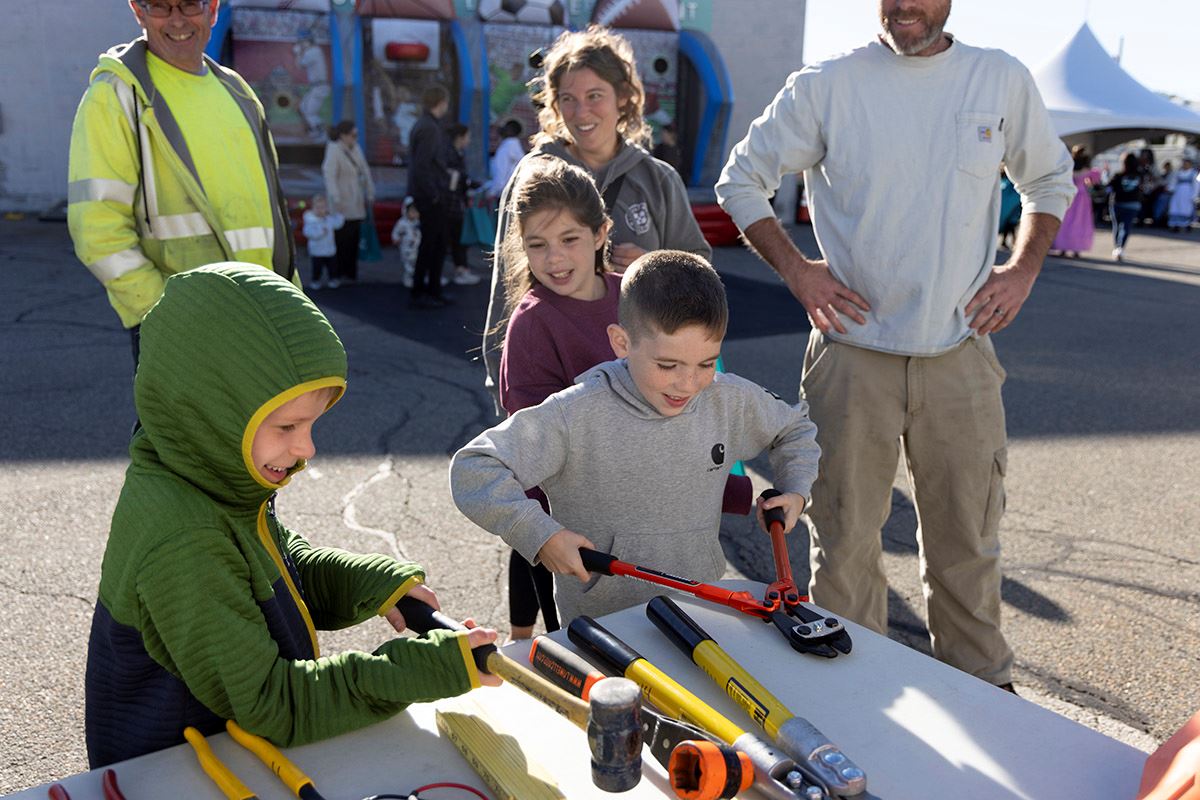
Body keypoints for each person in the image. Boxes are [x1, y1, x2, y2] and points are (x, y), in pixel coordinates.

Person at [715, 0, 1075, 691]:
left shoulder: (997, 79)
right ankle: (854, 691)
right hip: (852, 356)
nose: (905, 5)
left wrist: (1022, 269)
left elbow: (1049, 180)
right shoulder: (827, 84)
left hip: (960, 352)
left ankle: (982, 690)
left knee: (967, 541)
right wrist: (799, 271)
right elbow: (741, 180)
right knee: (844, 542)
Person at [85, 262, 498, 768]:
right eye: (286, 427)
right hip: (173, 771)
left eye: (311, 425)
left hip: (229, 753)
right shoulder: (184, 538)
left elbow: (279, 567)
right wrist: (425, 670)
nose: (306, 448)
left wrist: (374, 584)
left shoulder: (207, 469)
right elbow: (273, 703)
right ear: (210, 411)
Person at [452, 250, 819, 625]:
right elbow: (474, 466)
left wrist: (795, 488)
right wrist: (541, 535)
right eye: (668, 365)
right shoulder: (574, 413)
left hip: (702, 612)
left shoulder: (727, 399)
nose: (688, 383)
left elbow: (794, 428)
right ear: (621, 342)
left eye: (706, 363)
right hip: (603, 627)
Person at [481, 26, 711, 413]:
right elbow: (506, 290)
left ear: (623, 97)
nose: (581, 112)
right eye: (567, 99)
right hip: (553, 398)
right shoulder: (533, 176)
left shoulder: (657, 179)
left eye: (594, 96)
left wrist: (655, 267)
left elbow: (702, 276)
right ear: (554, 105)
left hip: (649, 400)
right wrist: (501, 392)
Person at [67, 0, 296, 367]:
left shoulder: (239, 93)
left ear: (212, 9)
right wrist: (166, 313)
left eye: (189, 5)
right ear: (139, 12)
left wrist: (292, 302)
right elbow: (96, 230)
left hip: (264, 318)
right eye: (161, 6)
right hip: (181, 329)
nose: (177, 21)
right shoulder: (116, 96)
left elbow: (273, 215)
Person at [407, 85, 454, 309]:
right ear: (440, 102)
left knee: (435, 244)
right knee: (433, 245)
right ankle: (424, 291)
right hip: (432, 196)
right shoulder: (430, 128)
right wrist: (434, 194)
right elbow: (422, 166)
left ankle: (430, 290)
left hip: (428, 194)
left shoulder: (423, 125)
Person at [322, 120, 375, 286]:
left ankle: (351, 273)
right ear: (343, 135)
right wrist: (335, 198)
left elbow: (365, 170)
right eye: (353, 135)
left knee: (354, 238)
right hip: (341, 203)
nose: (355, 138)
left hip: (356, 200)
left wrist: (370, 191)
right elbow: (329, 176)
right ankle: (337, 273)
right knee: (341, 239)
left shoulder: (356, 148)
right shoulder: (333, 150)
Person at [444, 122, 483, 286]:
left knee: (457, 238)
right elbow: (454, 179)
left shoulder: (457, 153)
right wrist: (467, 182)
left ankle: (461, 269)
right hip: (451, 203)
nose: (469, 140)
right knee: (455, 238)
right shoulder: (450, 154)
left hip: (456, 202)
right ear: (460, 137)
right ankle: (460, 271)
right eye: (467, 137)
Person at [1051, 146, 1102, 258]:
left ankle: (1062, 248)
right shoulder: (1087, 170)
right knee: (1080, 222)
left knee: (1065, 221)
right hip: (1082, 198)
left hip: (1069, 195)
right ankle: (1076, 249)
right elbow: (1094, 182)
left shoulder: (1068, 167)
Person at [302, 194, 343, 290]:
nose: (320, 210)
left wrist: (340, 215)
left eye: (323, 207)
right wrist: (320, 232)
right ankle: (315, 280)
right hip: (317, 252)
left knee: (332, 267)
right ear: (313, 208)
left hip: (330, 250)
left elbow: (337, 224)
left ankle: (333, 279)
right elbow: (308, 233)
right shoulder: (310, 221)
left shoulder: (329, 219)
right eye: (318, 207)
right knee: (317, 268)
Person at [1109, 152, 1143, 261]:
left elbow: (1110, 187)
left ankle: (1117, 247)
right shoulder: (1140, 175)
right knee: (1126, 226)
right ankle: (1121, 248)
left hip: (1118, 203)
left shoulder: (1119, 175)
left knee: (1116, 226)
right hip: (1133, 204)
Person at [487, 119, 526, 203]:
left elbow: (500, 174)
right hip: (517, 193)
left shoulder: (504, 149)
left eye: (505, 127)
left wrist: (491, 193)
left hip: (504, 194)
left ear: (510, 130)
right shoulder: (518, 148)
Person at [391, 196, 421, 290]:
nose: (414, 214)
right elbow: (396, 232)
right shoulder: (402, 223)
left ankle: (417, 278)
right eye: (412, 212)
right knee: (409, 265)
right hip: (406, 248)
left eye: (416, 212)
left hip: (417, 247)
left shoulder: (418, 223)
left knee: (417, 263)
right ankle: (408, 278)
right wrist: (396, 238)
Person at [1167, 158, 1199, 232]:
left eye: (1187, 164)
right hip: (1178, 193)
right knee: (1175, 208)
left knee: (1185, 209)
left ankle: (1185, 225)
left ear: (1190, 165)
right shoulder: (1178, 173)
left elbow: (1196, 185)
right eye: (1184, 164)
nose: (1185, 165)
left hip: (1187, 194)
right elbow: (1173, 181)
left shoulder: (1194, 173)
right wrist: (1171, 188)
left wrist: (1194, 195)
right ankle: (1175, 225)